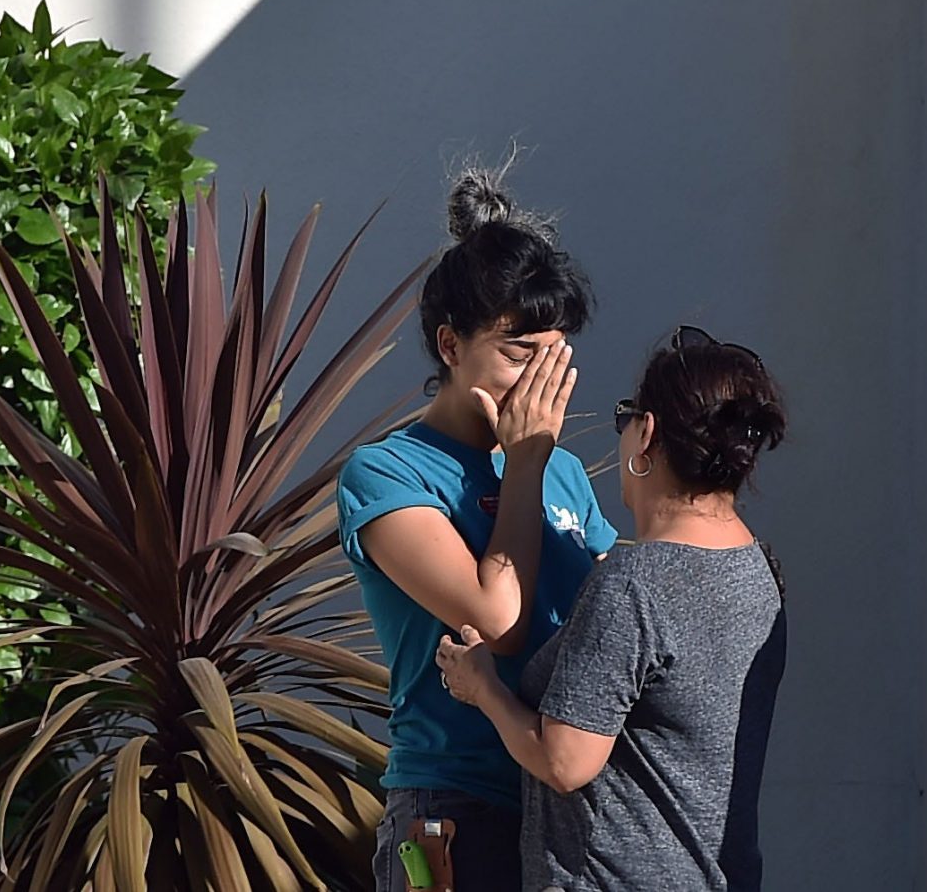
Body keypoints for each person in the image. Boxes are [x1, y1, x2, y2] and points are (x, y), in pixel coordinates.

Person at [337, 172, 622, 892]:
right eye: (519, 354)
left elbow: (615, 612)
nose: (539, 383)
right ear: (450, 345)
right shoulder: (387, 474)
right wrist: (523, 464)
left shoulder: (557, 473)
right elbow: (497, 620)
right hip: (457, 803)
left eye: (555, 357)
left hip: (562, 796)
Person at [436, 325, 788, 892]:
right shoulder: (758, 573)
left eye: (627, 416)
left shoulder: (636, 583)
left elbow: (564, 763)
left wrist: (483, 688)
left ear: (645, 434)